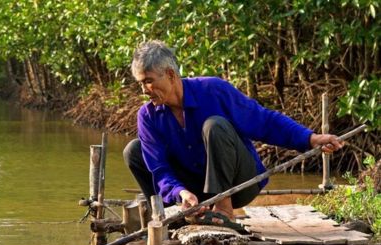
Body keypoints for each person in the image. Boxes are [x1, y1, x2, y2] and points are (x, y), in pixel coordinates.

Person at [124, 40, 343, 224]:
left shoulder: (212, 90)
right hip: (193, 190)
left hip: (238, 185)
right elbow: (160, 169)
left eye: (149, 82)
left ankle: (223, 209)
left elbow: (264, 121)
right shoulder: (148, 116)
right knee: (134, 151)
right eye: (141, 84)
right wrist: (180, 192)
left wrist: (310, 138)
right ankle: (177, 214)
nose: (144, 91)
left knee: (214, 125)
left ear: (171, 75)